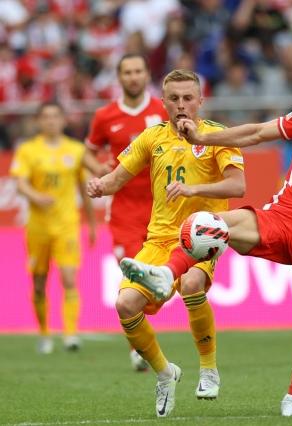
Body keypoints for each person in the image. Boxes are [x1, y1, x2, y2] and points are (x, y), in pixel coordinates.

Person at [120, 61, 292, 416]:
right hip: (282, 217)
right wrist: (203, 138)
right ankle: (165, 275)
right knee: (205, 223)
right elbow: (256, 133)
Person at [86, 69, 246, 418]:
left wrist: (193, 189)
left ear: (200, 100)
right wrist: (100, 186)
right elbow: (117, 178)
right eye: (174, 98)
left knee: (191, 283)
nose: (181, 104)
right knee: (125, 305)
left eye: (188, 98)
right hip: (158, 238)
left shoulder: (218, 136)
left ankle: (208, 368)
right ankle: (165, 373)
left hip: (200, 234)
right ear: (163, 102)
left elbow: (238, 186)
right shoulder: (152, 137)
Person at [85, 53, 168, 372]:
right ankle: (138, 348)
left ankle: (142, 333)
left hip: (161, 208)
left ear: (147, 75)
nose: (133, 77)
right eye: (127, 72)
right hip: (123, 210)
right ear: (119, 77)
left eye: (138, 71)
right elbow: (88, 153)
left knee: (158, 282)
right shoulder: (105, 115)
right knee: (134, 273)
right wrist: (99, 169)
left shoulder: (162, 110)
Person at [10, 102, 97, 354]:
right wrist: (36, 196)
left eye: (55, 116)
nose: (51, 121)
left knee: (69, 278)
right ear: (38, 121)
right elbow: (20, 182)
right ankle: (44, 332)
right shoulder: (28, 150)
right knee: (39, 283)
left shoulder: (76, 150)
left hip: (67, 225)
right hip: (38, 227)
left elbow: (85, 189)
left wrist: (92, 223)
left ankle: (70, 334)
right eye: (46, 117)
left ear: (63, 120)